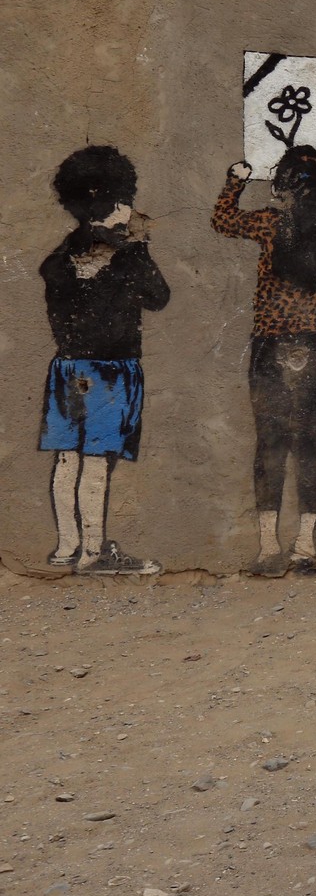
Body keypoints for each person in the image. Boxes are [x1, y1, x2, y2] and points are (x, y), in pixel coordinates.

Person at [213, 91, 316, 577]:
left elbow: (222, 221)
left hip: (272, 341)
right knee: (310, 441)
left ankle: (267, 548)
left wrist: (234, 181)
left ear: (285, 185)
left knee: (270, 440)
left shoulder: (272, 224)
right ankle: (306, 547)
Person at [39, 145, 169, 575]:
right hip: (111, 369)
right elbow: (158, 297)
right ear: (116, 200)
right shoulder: (125, 252)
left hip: (67, 368)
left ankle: (65, 549)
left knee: (65, 457)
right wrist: (136, 245)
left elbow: (59, 292)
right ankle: (93, 553)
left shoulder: (64, 254)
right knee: (96, 459)